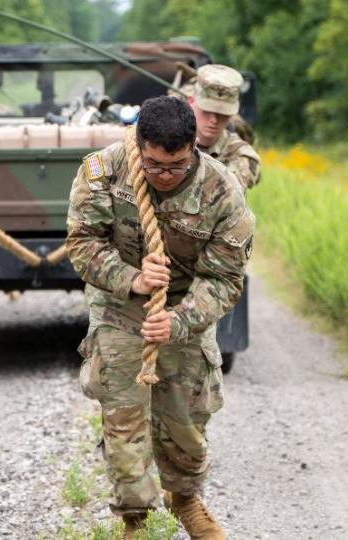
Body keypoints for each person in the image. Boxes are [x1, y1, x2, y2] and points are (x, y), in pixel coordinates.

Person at [66, 96, 254, 539]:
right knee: (124, 417)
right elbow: (82, 243)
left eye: (175, 166)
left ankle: (185, 498)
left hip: (187, 307)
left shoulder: (222, 191)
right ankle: (135, 519)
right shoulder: (104, 171)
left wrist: (179, 320)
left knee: (186, 419)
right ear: (139, 145)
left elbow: (225, 278)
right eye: (153, 165)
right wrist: (131, 278)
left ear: (194, 149)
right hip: (120, 306)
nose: (164, 176)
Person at [184, 64, 262, 191]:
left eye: (222, 113)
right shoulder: (171, 141)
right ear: (191, 101)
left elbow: (223, 194)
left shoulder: (241, 154)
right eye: (207, 110)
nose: (214, 120)